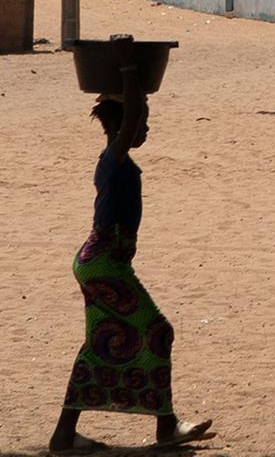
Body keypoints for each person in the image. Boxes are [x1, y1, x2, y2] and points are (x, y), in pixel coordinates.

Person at [51, 94, 211, 451]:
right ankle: (166, 426)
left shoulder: (115, 160)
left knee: (102, 340)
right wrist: (127, 63)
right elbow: (133, 110)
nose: (146, 129)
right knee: (157, 330)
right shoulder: (113, 157)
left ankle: (64, 436)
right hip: (104, 262)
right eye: (142, 123)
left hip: (103, 261)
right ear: (124, 127)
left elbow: (134, 112)